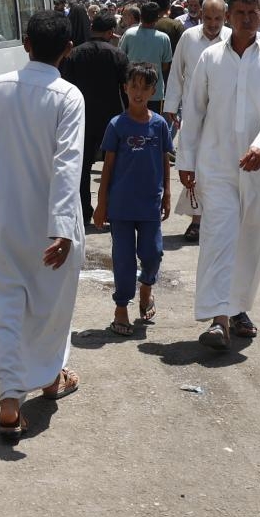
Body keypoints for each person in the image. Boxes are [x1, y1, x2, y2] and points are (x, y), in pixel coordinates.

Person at [0, 10, 85, 443]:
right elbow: (68, 164)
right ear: (68, 50)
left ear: (25, 44)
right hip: (51, 231)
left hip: (2, 224)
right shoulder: (69, 97)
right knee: (51, 309)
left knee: (4, 311)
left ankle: (11, 401)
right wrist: (62, 228)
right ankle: (50, 378)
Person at [178, 0, 260, 351]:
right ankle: (218, 319)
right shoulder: (210, 57)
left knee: (252, 239)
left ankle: (239, 308)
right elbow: (193, 110)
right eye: (240, 13)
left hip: (259, 166)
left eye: (252, 13)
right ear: (229, 17)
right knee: (218, 236)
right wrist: (186, 160)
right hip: (216, 165)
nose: (246, 19)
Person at [92, 64, 172, 337]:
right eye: (134, 86)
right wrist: (101, 204)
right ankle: (121, 308)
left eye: (145, 88)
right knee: (123, 259)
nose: (138, 93)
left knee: (153, 253)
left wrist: (167, 194)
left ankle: (146, 287)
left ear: (153, 91)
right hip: (121, 207)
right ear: (125, 88)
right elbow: (107, 167)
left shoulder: (159, 125)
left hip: (150, 204)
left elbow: (165, 160)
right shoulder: (117, 125)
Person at [164, 0, 227, 242]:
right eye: (208, 18)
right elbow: (176, 73)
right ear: (201, 16)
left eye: (218, 18)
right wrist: (171, 105)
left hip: (224, 116)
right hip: (193, 114)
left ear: (225, 17)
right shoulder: (189, 38)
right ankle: (197, 220)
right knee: (194, 166)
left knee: (220, 168)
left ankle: (218, 219)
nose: (213, 24)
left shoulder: (232, 39)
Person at [60, 10, 130, 227]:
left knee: (81, 169)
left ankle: (84, 211)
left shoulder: (74, 54)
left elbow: (65, 86)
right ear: (110, 32)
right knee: (114, 167)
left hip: (82, 118)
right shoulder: (117, 55)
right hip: (112, 119)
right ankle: (110, 209)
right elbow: (126, 88)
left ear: (92, 28)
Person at [121, 3, 174, 112]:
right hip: (154, 91)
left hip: (132, 89)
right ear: (157, 18)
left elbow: (121, 58)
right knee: (153, 120)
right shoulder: (164, 38)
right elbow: (165, 66)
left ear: (141, 17)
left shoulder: (129, 34)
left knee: (131, 119)